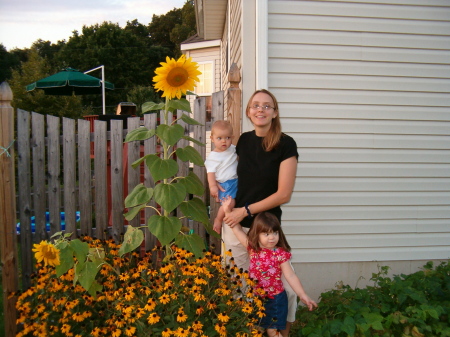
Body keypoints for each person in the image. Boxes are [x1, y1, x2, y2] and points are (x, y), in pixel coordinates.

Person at [223, 89, 301, 334]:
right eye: (256, 105)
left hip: (266, 230)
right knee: (238, 287)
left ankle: (282, 332)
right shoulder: (243, 141)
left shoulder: (285, 144)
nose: (261, 110)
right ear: (248, 112)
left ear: (275, 113)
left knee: (284, 291)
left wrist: (244, 211)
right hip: (235, 226)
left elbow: (283, 194)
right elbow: (231, 180)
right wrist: (225, 213)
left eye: (267, 106)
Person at [222, 198, 317, 337]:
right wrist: (226, 210)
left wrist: (303, 295)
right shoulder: (252, 249)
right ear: (257, 234)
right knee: (257, 329)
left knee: (273, 331)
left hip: (275, 300)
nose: (271, 237)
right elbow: (236, 228)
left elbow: (290, 275)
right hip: (256, 298)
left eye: (275, 233)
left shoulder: (280, 254)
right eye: (266, 234)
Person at [205, 120, 238, 233]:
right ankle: (218, 220)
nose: (224, 141)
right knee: (229, 203)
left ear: (232, 137)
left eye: (227, 138)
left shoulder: (233, 149)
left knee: (236, 203)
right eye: (219, 138)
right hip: (226, 184)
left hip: (236, 181)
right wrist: (213, 186)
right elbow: (210, 173)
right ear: (212, 138)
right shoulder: (213, 157)